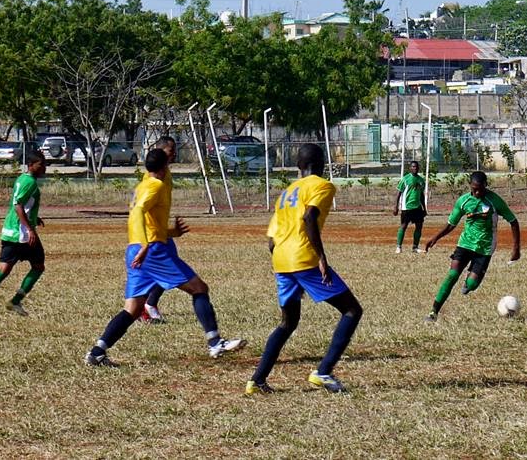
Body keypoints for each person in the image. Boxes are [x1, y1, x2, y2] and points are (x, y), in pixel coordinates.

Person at [84, 149, 245, 366]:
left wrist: (171, 233)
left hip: (136, 249)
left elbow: (149, 222)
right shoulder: (156, 185)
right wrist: (145, 245)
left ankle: (97, 352)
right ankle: (215, 342)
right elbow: (139, 212)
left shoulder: (142, 186)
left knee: (132, 309)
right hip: (151, 251)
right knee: (199, 288)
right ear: (166, 165)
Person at [246, 143, 363, 395]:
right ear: (322, 164)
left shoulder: (287, 191)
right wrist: (320, 256)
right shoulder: (323, 186)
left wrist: (289, 269)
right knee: (352, 310)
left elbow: (271, 240)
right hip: (304, 258)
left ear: (299, 166)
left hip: (281, 260)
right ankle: (323, 372)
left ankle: (256, 381)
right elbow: (310, 217)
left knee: (288, 322)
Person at [423, 171, 521, 323]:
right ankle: (433, 312)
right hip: (465, 243)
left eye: (480, 189)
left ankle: (469, 284)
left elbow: (513, 221)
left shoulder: (494, 201)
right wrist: (435, 237)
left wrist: (516, 249)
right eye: (474, 189)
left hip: (485, 247)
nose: (477, 192)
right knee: (452, 275)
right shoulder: (463, 201)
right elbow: (451, 225)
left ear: (485, 186)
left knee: (472, 284)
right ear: (470, 186)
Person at [0, 151, 47, 319]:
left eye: (44, 164)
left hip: (9, 231)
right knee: (38, 267)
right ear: (31, 165)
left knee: (4, 269)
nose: (44, 167)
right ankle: (15, 301)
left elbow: (20, 204)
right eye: (40, 164)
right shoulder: (30, 182)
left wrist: (35, 218)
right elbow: (19, 206)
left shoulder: (21, 179)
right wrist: (30, 229)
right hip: (22, 234)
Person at [141, 136, 177, 323]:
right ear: (162, 151)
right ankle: (149, 304)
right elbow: (140, 209)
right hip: (152, 234)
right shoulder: (152, 177)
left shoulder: (166, 173)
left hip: (161, 231)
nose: (174, 153)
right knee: (170, 267)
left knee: (159, 270)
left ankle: (143, 306)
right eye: (171, 150)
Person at [393, 160, 427, 254]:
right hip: (406, 207)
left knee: (419, 226)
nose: (415, 168)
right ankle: (399, 246)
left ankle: (415, 247)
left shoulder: (421, 180)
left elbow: (421, 195)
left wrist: (424, 208)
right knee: (403, 226)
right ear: (410, 168)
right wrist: (396, 206)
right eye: (413, 167)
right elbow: (398, 193)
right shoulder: (405, 179)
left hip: (417, 208)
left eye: (416, 167)